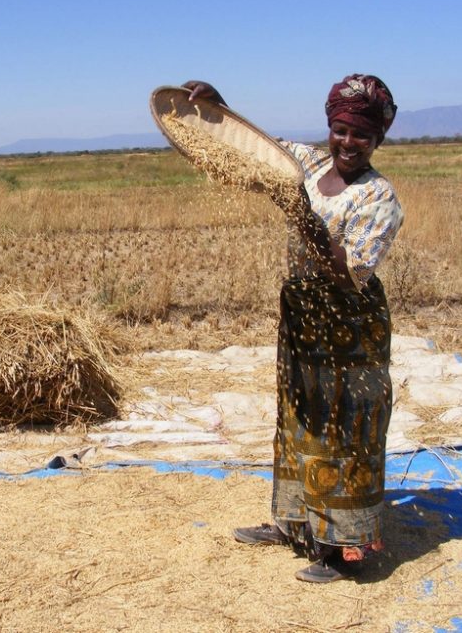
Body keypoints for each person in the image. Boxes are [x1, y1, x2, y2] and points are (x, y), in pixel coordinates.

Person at [183, 75, 403, 583]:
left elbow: (350, 272)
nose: (348, 143)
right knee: (298, 415)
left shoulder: (379, 198)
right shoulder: (306, 163)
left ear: (379, 140)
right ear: (330, 127)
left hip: (349, 323)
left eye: (361, 136)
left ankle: (344, 549)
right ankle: (296, 525)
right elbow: (251, 151)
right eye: (341, 131)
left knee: (345, 426)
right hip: (303, 311)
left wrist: (303, 215)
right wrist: (218, 108)